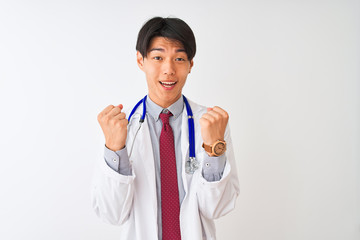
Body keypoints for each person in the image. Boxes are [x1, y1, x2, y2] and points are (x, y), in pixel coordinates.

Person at [92, 16, 240, 240]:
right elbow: (112, 214)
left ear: (191, 65)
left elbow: (217, 209)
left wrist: (213, 149)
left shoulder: (211, 123)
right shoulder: (121, 127)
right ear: (141, 61)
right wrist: (115, 148)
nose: (169, 69)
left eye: (179, 59)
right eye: (158, 57)